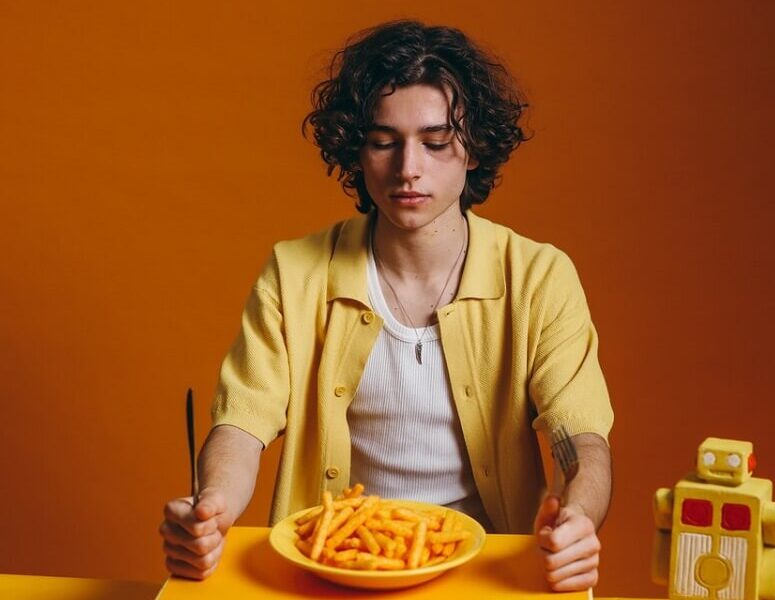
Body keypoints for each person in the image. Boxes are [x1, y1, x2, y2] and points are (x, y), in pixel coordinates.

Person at [159, 20, 614, 592]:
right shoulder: (294, 272)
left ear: (473, 149)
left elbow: (582, 438)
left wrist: (577, 518)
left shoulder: (539, 277)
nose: (408, 169)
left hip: (487, 573)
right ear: (358, 148)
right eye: (383, 142)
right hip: (335, 567)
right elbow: (242, 423)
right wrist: (212, 511)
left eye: (435, 142)